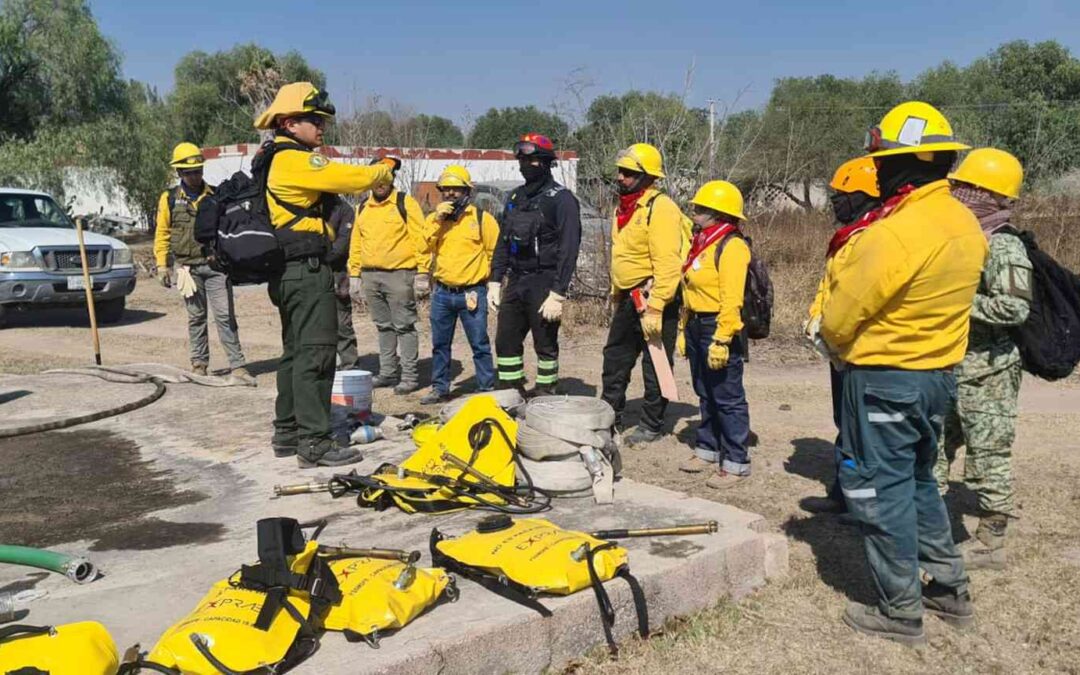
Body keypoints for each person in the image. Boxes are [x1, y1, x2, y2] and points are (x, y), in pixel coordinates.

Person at [821, 101, 987, 646]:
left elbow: (843, 314)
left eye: (883, 161)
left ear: (905, 164)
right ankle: (948, 588)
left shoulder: (898, 231)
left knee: (878, 489)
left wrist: (834, 341)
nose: (877, 170)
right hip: (936, 376)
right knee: (918, 483)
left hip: (885, 377)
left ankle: (899, 609)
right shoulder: (962, 219)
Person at [253, 82, 394, 468]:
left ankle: (288, 432)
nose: (321, 127)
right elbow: (347, 178)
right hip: (306, 272)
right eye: (314, 120)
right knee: (316, 356)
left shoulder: (272, 157)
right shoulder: (294, 159)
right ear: (288, 122)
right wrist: (384, 169)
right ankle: (314, 442)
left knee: (295, 354)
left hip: (289, 272)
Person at [935, 148, 1031, 571]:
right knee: (934, 449)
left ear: (988, 194)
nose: (957, 193)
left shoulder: (1004, 245)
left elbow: (1014, 309)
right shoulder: (965, 236)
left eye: (965, 188)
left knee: (989, 455)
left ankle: (991, 541)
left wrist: (958, 301)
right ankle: (930, 527)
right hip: (953, 365)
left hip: (989, 372)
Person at [799, 157, 882, 515]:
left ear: (865, 195)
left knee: (864, 425)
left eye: (842, 193)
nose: (834, 200)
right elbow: (832, 285)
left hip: (864, 348)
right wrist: (817, 320)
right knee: (845, 420)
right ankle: (845, 492)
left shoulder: (876, 235)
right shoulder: (848, 235)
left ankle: (864, 502)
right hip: (840, 346)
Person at [601, 143, 686, 445]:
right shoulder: (623, 209)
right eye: (621, 171)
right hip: (628, 298)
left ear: (648, 176)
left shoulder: (660, 208)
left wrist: (657, 307)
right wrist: (615, 296)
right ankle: (608, 417)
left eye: (629, 173)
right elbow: (622, 257)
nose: (621, 177)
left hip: (653, 298)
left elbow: (667, 263)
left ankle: (651, 423)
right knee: (615, 359)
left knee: (656, 365)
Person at [490, 133, 582, 396]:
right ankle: (510, 391)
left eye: (530, 160)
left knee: (545, 344)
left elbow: (569, 248)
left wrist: (558, 293)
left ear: (544, 162)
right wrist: (495, 279)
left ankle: (545, 391)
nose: (524, 165)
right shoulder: (515, 198)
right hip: (516, 280)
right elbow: (503, 240)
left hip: (545, 281)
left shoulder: (561, 199)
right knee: (505, 341)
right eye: (521, 159)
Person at [154, 142, 254, 384]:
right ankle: (199, 364)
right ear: (179, 173)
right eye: (189, 172)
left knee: (224, 316)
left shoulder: (216, 196)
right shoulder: (168, 199)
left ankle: (237, 365)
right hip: (188, 269)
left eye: (198, 170)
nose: (195, 176)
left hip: (216, 268)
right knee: (196, 317)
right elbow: (163, 232)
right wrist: (162, 265)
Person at [676, 180, 752, 489]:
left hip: (718, 326)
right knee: (704, 391)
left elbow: (732, 299)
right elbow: (688, 287)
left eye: (700, 208)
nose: (694, 211)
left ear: (718, 213)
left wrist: (722, 339)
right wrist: (683, 328)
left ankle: (736, 461)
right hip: (696, 324)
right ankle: (707, 448)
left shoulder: (731, 246)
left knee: (727, 396)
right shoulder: (702, 242)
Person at [347, 156, 427, 394]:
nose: (381, 182)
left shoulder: (405, 203)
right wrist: (354, 274)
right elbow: (356, 243)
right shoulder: (362, 207)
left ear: (392, 178)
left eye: (386, 177)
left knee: (404, 326)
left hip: (400, 275)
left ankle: (410, 377)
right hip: (371, 276)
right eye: (377, 177)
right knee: (383, 326)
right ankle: (388, 373)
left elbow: (419, 239)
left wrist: (422, 272)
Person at [419, 165, 498, 405]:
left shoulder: (482, 219)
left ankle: (486, 389)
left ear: (467, 191)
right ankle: (440, 388)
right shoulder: (436, 220)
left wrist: (494, 284)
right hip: (442, 293)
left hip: (472, 292)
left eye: (457, 189)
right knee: (440, 345)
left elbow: (495, 253)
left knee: (480, 344)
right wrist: (437, 219)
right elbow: (423, 247)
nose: (451, 194)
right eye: (447, 189)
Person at [324, 196, 358, 369]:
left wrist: (320, 258)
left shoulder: (344, 210)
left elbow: (342, 244)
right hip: (314, 272)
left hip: (337, 271)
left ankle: (348, 363)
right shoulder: (310, 205)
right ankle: (324, 362)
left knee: (342, 321)